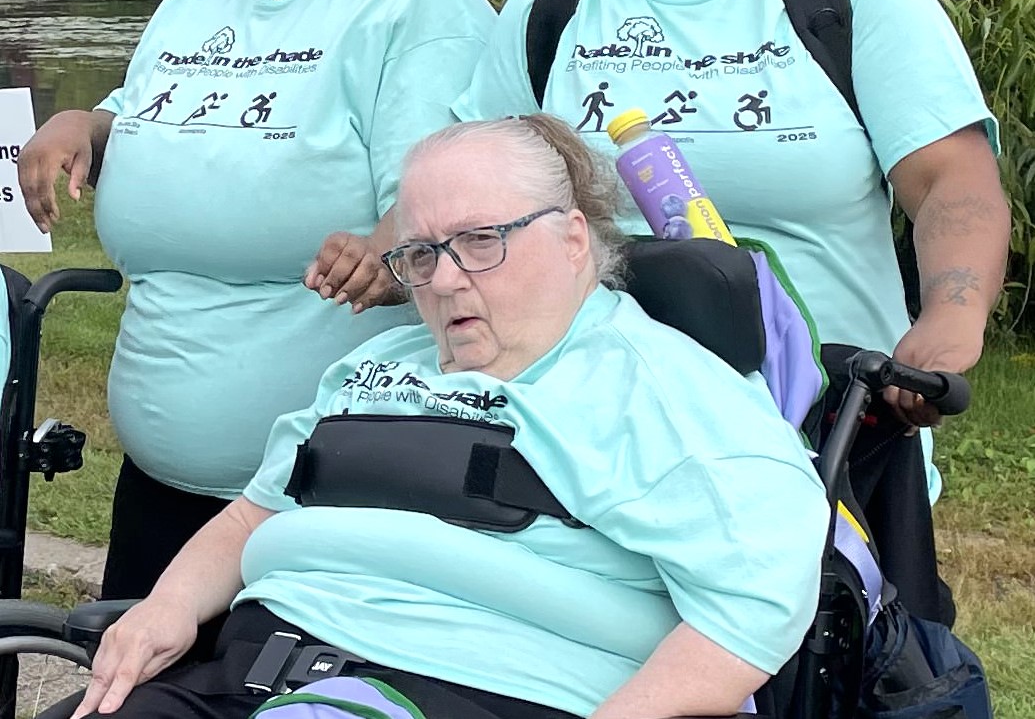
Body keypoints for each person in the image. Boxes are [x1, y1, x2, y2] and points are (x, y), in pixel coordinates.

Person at [71, 115, 830, 719]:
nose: (443, 280)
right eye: (421, 254)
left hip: (481, 686)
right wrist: (166, 607)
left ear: (572, 239)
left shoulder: (655, 391)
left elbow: (750, 610)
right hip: (255, 671)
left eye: (478, 240)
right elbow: (252, 515)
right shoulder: (377, 366)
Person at [454, 0, 1009, 491]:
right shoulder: (552, 1)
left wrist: (950, 318)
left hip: (826, 442)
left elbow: (952, 181)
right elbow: (474, 193)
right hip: (591, 438)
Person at [17, 0, 496, 604]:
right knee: (135, 668)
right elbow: (147, 110)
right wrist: (79, 123)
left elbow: (452, 196)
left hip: (328, 496)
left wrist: (389, 247)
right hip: (161, 488)